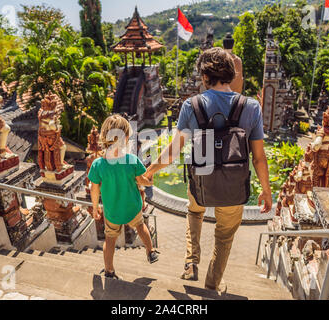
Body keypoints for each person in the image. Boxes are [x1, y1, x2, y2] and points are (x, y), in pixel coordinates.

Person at [144, 47, 272, 293]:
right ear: (233, 75)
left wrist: (150, 171)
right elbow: (258, 158)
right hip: (234, 188)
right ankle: (212, 285)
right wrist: (266, 191)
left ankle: (191, 261)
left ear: (204, 77)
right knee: (224, 237)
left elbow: (173, 151)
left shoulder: (191, 106)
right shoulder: (251, 107)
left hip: (200, 182)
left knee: (194, 212)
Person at [88, 115, 159, 279]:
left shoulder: (98, 164)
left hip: (112, 211)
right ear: (126, 137)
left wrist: (94, 208)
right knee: (141, 227)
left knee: (110, 240)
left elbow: (94, 189)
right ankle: (151, 251)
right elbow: (143, 181)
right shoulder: (131, 160)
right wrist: (150, 180)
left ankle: (109, 271)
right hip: (132, 207)